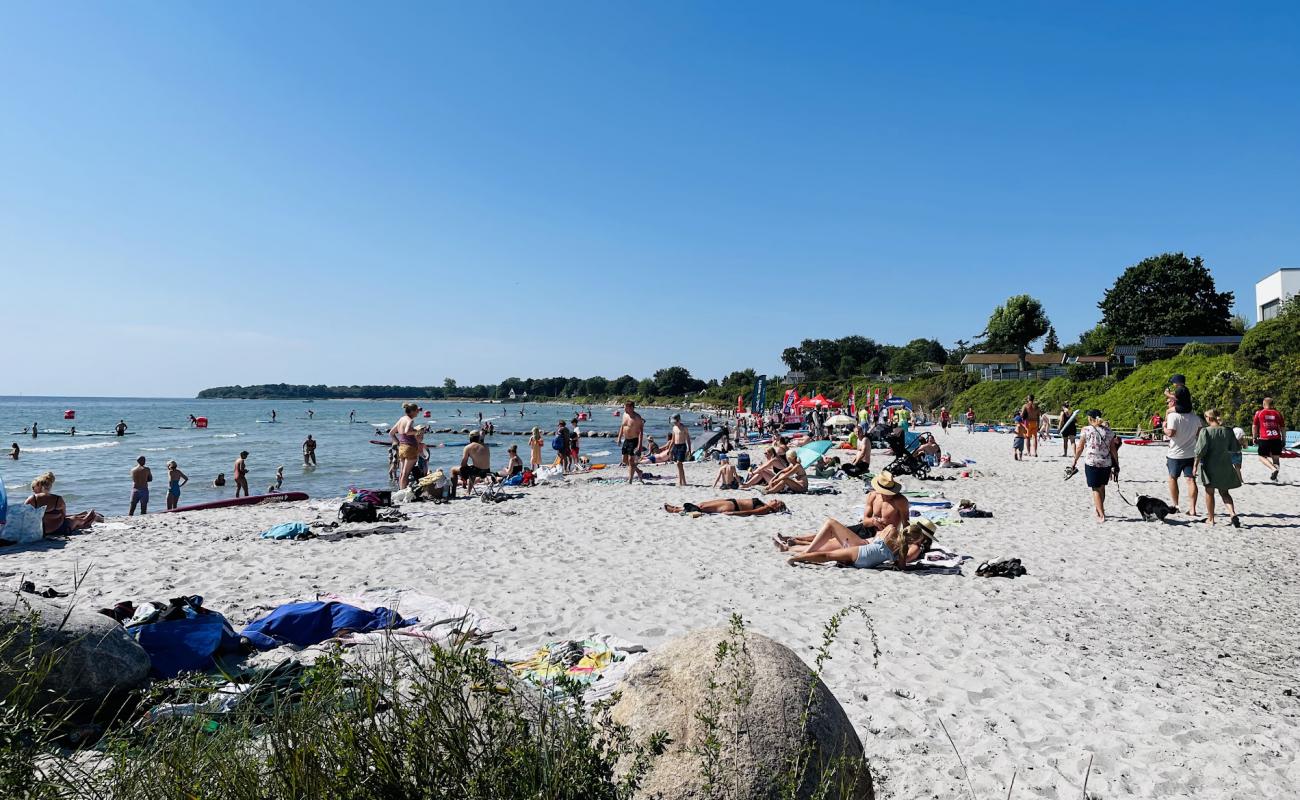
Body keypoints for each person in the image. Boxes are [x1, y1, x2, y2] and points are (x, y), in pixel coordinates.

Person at [777, 517, 937, 569]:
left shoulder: (891, 529)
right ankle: (794, 551)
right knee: (829, 555)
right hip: (867, 561)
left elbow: (880, 534)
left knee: (828, 555)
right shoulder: (904, 547)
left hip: (864, 551)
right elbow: (901, 565)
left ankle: (797, 557)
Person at [1193, 409, 1242, 527]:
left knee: (1209, 492)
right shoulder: (1228, 431)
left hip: (1210, 465)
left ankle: (1211, 518)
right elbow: (1235, 448)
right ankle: (1232, 514)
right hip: (1225, 464)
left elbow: (1200, 451)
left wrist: (1195, 466)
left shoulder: (1205, 431)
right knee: (1225, 492)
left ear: (1209, 418)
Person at [1069, 410, 1120, 522]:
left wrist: (1075, 460)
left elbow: (1080, 447)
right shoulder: (1108, 431)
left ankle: (1101, 515)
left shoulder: (1086, 430)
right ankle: (1100, 509)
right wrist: (1116, 463)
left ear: (1090, 418)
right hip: (1106, 463)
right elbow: (1113, 450)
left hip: (1092, 462)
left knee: (1095, 489)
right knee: (1101, 487)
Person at [26, 472, 102, 536]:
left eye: (33, 487)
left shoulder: (32, 499)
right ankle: (85, 519)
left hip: (41, 531)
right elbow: (62, 517)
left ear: (39, 485)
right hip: (59, 530)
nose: (33, 490)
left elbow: (23, 515)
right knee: (74, 519)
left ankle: (84, 517)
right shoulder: (58, 499)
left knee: (72, 518)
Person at [1164, 402, 1202, 516]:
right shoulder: (1195, 418)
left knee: (1172, 478)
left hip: (1175, 453)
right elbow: (1199, 433)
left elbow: (1171, 433)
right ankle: (1193, 509)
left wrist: (1164, 427)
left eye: (1169, 402)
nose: (1168, 404)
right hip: (1191, 452)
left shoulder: (1173, 416)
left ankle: (1176, 506)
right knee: (1191, 480)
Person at [1252, 396, 1286, 482]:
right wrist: (1284, 440)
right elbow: (1282, 428)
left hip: (1264, 438)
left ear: (1264, 404)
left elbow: (1254, 426)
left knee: (1261, 456)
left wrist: (1254, 437)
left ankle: (1273, 469)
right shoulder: (1278, 413)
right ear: (1273, 404)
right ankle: (1275, 476)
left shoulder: (1259, 413)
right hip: (1276, 439)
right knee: (1276, 458)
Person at [390, 402, 422, 489]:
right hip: (410, 448)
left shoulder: (401, 419)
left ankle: (401, 490)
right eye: (416, 411)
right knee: (406, 473)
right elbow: (407, 432)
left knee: (402, 472)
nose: (418, 413)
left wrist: (398, 442)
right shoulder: (410, 420)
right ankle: (403, 490)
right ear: (412, 411)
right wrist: (418, 431)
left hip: (402, 448)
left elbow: (391, 433)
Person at [452, 431, 493, 495]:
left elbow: (463, 464)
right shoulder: (486, 446)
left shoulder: (468, 447)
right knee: (473, 468)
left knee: (453, 470)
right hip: (487, 471)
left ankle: (453, 493)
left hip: (477, 472)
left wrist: (465, 470)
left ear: (470, 438)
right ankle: (468, 491)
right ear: (478, 438)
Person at [664, 497, 788, 516]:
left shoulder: (766, 509)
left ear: (776, 507)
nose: (774, 499)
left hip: (733, 507)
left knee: (702, 507)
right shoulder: (766, 505)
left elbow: (750, 512)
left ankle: (676, 510)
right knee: (702, 504)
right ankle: (678, 508)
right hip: (731, 501)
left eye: (776, 501)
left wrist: (733, 514)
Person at [617, 401, 645, 484]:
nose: (624, 408)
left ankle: (630, 480)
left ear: (632, 407)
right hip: (626, 440)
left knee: (631, 460)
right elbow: (622, 426)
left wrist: (639, 446)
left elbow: (641, 432)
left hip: (634, 440)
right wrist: (619, 438)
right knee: (624, 460)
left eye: (626, 407)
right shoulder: (624, 415)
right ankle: (639, 471)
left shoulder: (637, 418)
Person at [669, 414, 692, 486]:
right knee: (679, 465)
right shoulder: (674, 428)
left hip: (682, 446)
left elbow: (688, 439)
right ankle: (684, 481)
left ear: (679, 420)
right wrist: (669, 449)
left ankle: (680, 481)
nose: (675, 423)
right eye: (674, 422)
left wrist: (689, 449)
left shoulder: (684, 428)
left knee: (679, 463)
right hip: (676, 446)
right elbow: (672, 439)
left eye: (676, 421)